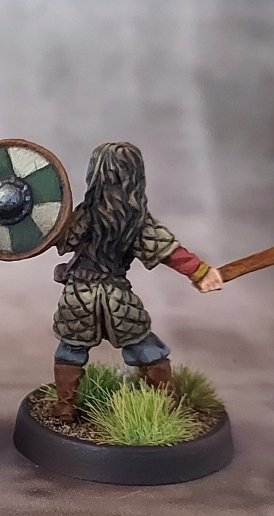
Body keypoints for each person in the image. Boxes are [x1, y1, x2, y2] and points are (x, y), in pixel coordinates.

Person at [50, 142, 223, 422]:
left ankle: (64, 408)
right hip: (116, 296)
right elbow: (168, 251)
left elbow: (61, 238)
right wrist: (200, 272)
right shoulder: (137, 221)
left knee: (71, 349)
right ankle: (167, 403)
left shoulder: (84, 215)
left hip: (79, 294)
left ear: (95, 174)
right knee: (144, 345)